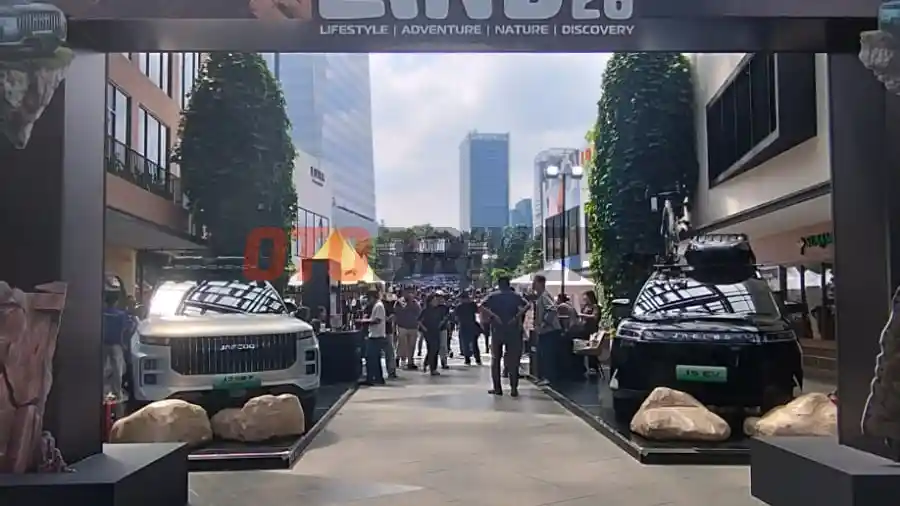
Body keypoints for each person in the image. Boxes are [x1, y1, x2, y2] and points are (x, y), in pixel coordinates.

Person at [480, 275, 529, 397]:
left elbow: (481, 306)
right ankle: (514, 388)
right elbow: (527, 305)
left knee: (496, 359)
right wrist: (516, 317)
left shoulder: (493, 296)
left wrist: (493, 316)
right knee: (513, 360)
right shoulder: (515, 296)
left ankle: (497, 388)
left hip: (497, 329)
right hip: (513, 330)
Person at [103, 291, 134, 401]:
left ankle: (102, 392)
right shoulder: (121, 314)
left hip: (103, 343)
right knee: (117, 370)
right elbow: (127, 328)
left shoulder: (102, 313)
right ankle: (117, 393)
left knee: (102, 368)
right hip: (116, 344)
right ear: (116, 302)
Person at [358, 289, 394, 385]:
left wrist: (364, 321)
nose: (368, 301)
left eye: (368, 298)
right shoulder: (378, 305)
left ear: (372, 297)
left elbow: (377, 320)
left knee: (370, 357)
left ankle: (371, 378)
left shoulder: (378, 306)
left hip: (376, 336)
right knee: (375, 358)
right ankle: (378, 378)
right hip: (376, 335)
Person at [533, 274, 562, 387]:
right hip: (545, 331)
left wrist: (544, 324)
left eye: (535, 282)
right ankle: (544, 376)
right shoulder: (541, 296)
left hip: (549, 331)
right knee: (542, 354)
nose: (533, 284)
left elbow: (552, 309)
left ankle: (549, 377)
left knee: (547, 354)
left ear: (540, 283)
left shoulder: (544, 296)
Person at [393, 287, 422, 370]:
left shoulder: (415, 303)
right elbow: (396, 313)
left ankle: (410, 362)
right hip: (402, 326)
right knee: (402, 345)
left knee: (412, 346)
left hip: (413, 327)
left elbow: (419, 313)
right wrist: (394, 327)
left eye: (411, 292)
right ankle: (398, 358)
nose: (410, 294)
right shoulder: (399, 302)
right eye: (408, 292)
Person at [418, 294, 446, 376]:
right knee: (432, 348)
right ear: (430, 302)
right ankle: (432, 368)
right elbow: (419, 321)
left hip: (436, 331)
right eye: (434, 300)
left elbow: (442, 319)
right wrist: (424, 328)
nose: (436, 302)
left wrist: (441, 324)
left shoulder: (438, 310)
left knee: (435, 349)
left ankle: (428, 363)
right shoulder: (426, 310)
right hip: (428, 332)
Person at [455, 291, 482, 365]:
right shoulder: (472, 305)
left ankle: (468, 359)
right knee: (473, 343)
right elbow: (478, 311)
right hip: (471, 326)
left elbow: (456, 317)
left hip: (464, 326)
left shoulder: (459, 306)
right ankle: (477, 359)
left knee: (466, 343)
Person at [579, 291, 602, 376]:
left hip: (592, 330)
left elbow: (595, 317)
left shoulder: (595, 307)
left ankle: (593, 367)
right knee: (582, 347)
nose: (584, 299)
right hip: (584, 329)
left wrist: (583, 315)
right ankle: (582, 367)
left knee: (591, 349)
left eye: (586, 297)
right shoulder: (585, 306)